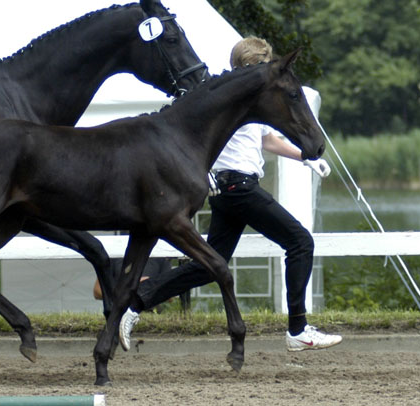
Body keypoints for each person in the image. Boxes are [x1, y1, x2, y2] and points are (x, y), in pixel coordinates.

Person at [119, 36, 342, 353]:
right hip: (238, 186)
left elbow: (267, 141)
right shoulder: (226, 99)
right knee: (300, 242)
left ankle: (136, 302)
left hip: (232, 190)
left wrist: (305, 158)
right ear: (253, 66)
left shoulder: (254, 100)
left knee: (208, 265)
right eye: (264, 66)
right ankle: (298, 328)